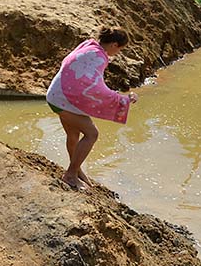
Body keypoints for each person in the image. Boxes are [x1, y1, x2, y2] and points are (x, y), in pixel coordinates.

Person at [46, 27, 137, 191]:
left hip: (55, 93)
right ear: (115, 45)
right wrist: (123, 99)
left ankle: (76, 170)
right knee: (92, 134)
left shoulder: (89, 45)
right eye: (120, 49)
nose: (118, 53)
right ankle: (70, 175)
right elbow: (95, 87)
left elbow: (85, 80)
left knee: (73, 134)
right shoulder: (99, 58)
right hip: (63, 99)